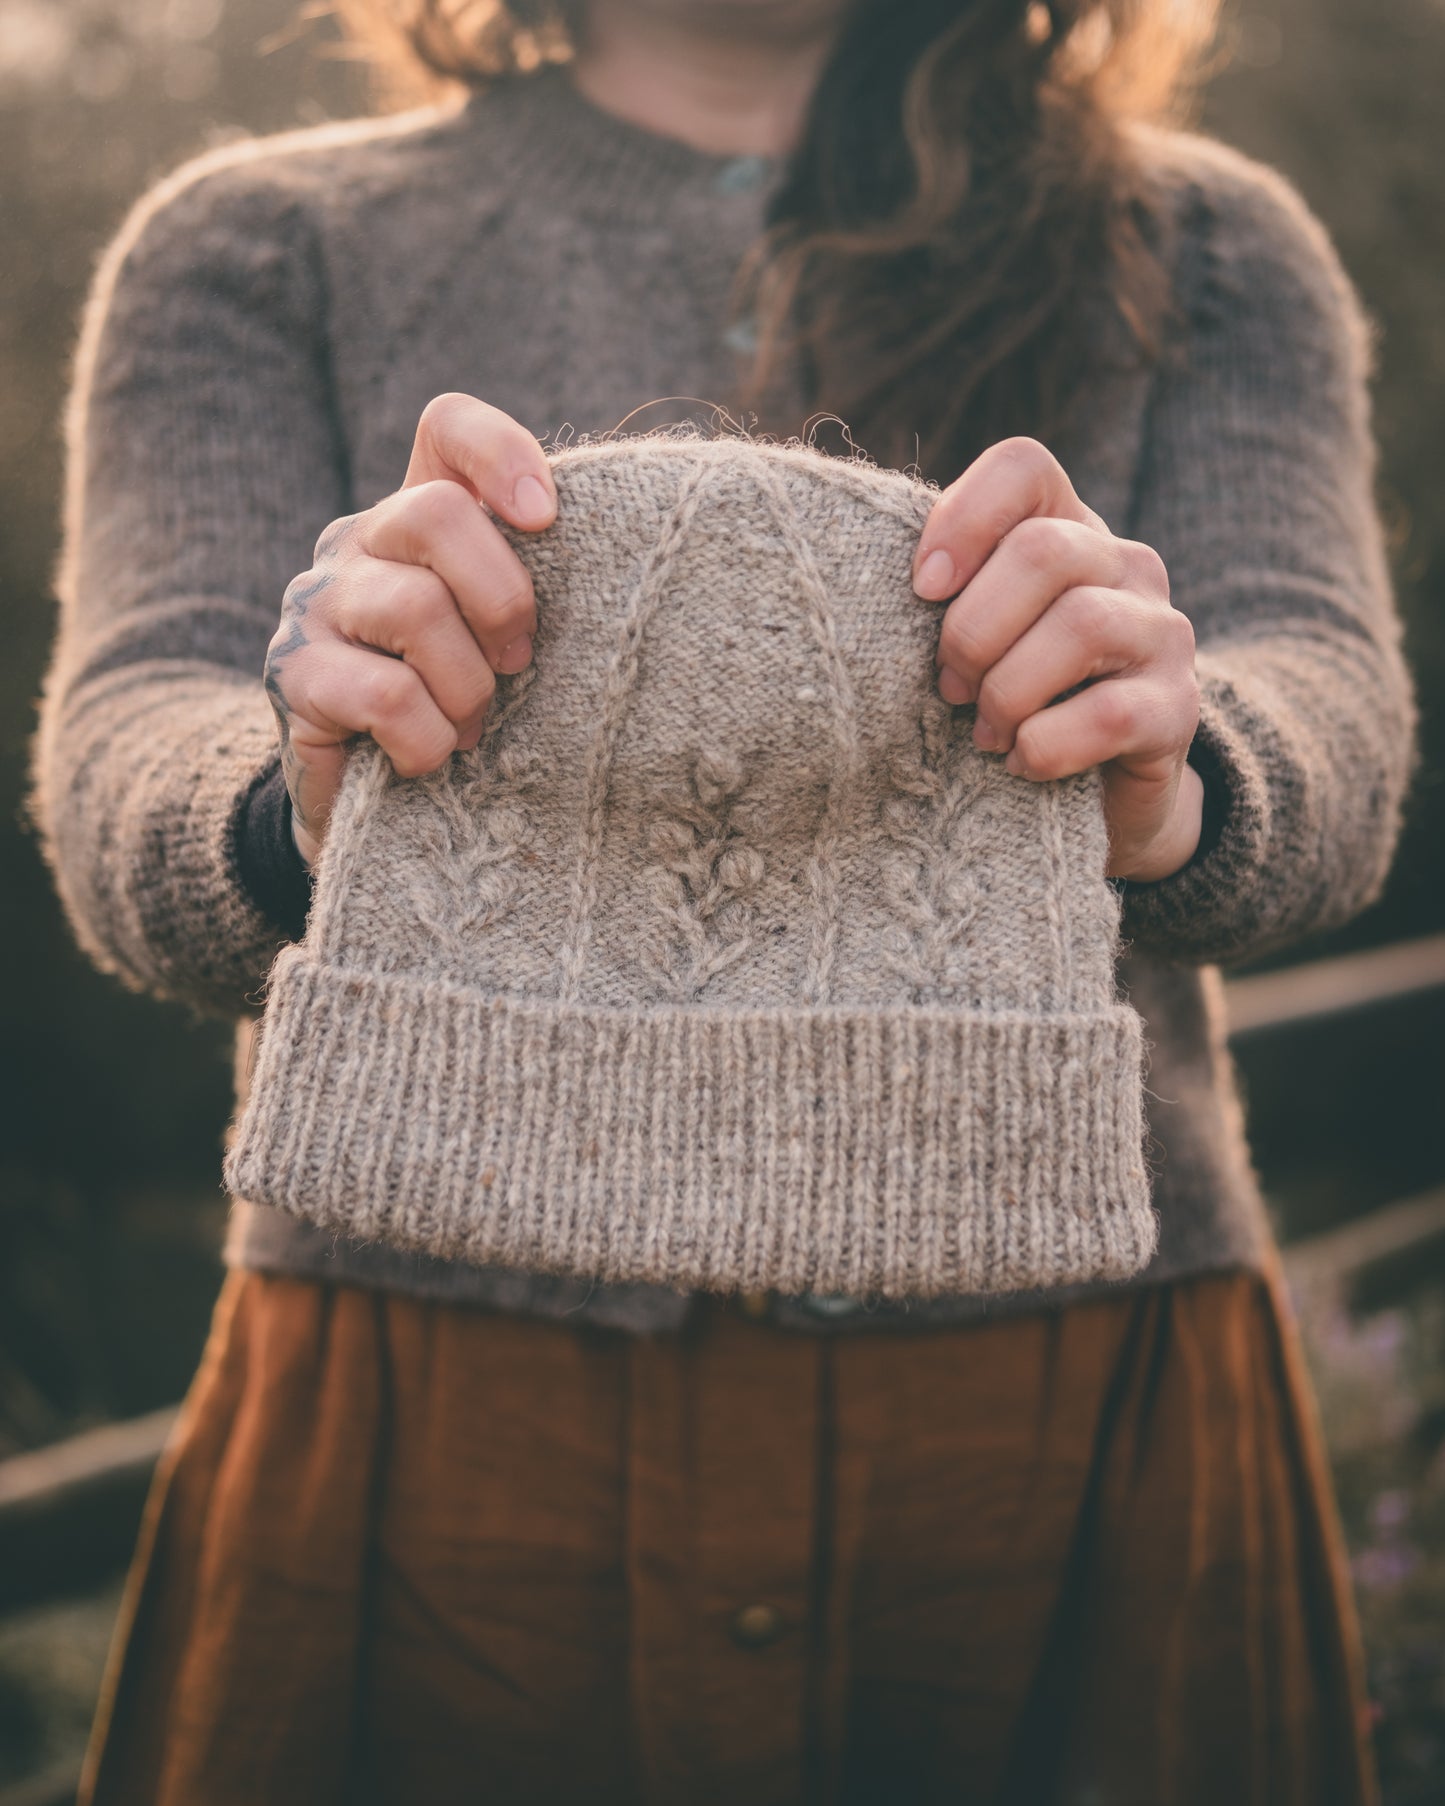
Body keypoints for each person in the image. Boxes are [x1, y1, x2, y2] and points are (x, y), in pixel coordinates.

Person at [28, 1, 1418, 1801]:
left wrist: (1177, 766)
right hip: (436, 1385)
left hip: (1062, 1385)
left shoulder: (1204, 248)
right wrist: (303, 779)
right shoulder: (258, 247)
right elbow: (126, 742)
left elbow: (1329, 701)